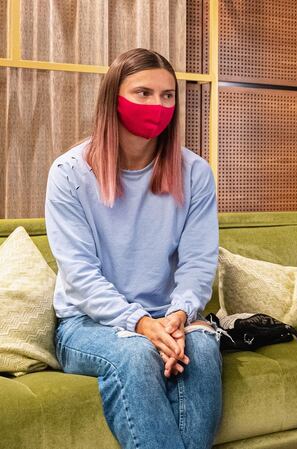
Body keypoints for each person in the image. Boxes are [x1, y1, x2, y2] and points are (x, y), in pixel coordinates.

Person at [45, 48, 221, 449]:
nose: (157, 105)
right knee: (138, 355)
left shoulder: (195, 173)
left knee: (205, 349)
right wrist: (142, 324)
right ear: (113, 98)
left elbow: (197, 262)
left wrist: (178, 315)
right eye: (143, 93)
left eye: (167, 95)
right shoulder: (70, 173)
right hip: (86, 324)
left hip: (168, 317)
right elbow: (81, 275)